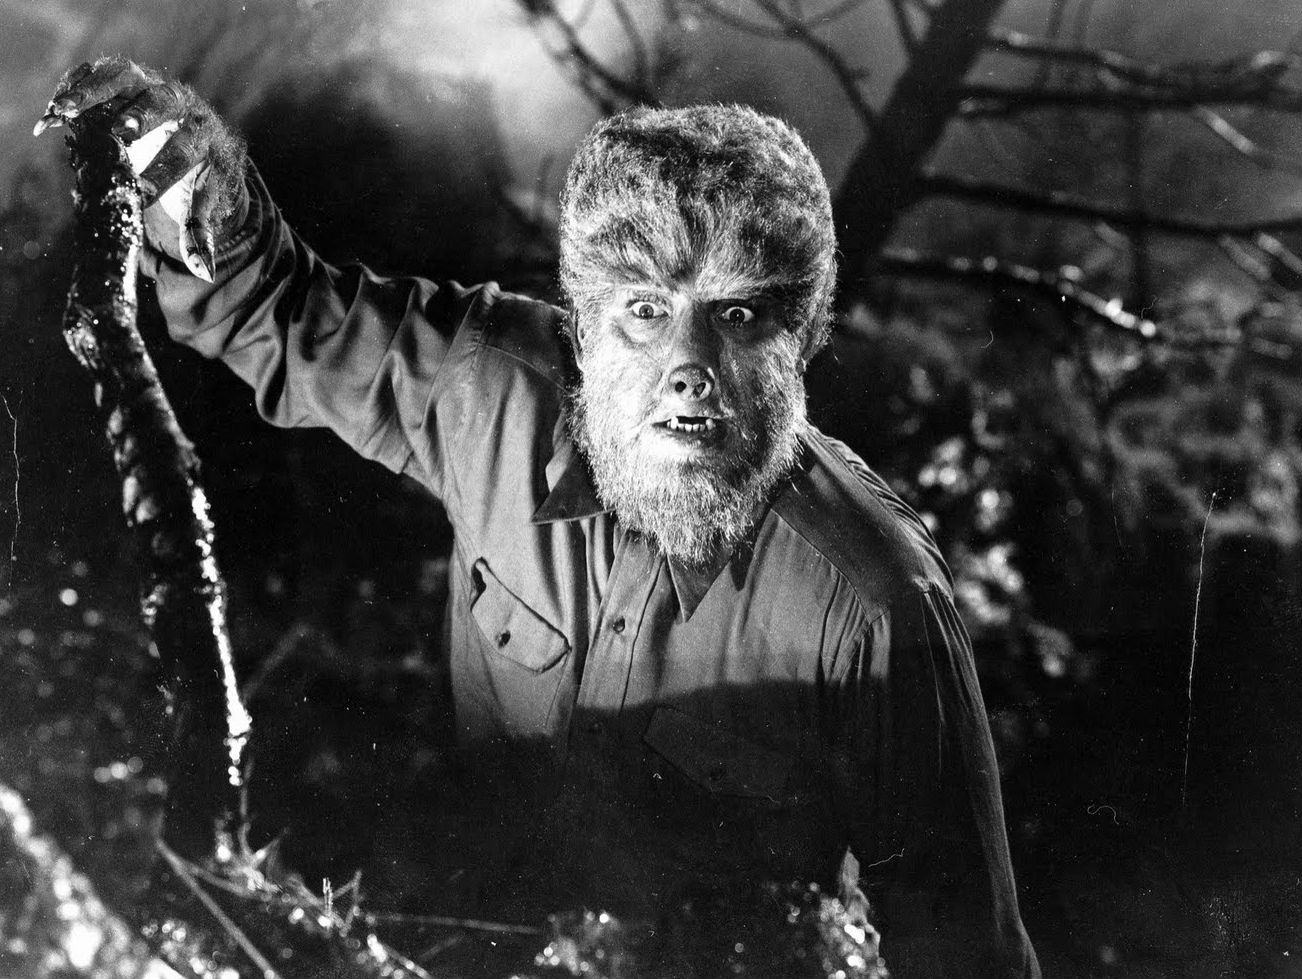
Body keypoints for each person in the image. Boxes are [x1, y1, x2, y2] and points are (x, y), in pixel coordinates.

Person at [40, 58, 1040, 977]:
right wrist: (180, 162)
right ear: (585, 323)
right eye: (645, 311)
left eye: (736, 316)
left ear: (802, 337)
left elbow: (967, 956)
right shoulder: (494, 391)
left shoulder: (872, 604)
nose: (688, 369)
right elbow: (279, 308)